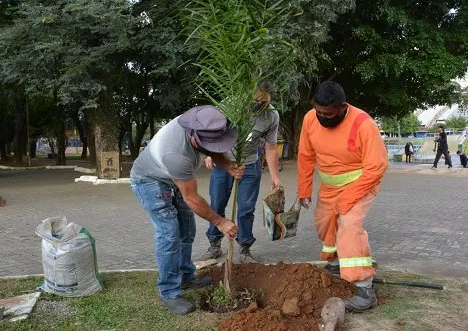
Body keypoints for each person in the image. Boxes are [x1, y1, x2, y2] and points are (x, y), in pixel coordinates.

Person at [130, 105, 244, 315]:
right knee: (169, 235)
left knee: (187, 230)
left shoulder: (203, 122)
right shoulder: (176, 154)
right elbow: (191, 198)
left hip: (171, 178)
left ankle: (185, 277)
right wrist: (220, 222)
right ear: (194, 136)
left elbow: (212, 148)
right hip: (149, 181)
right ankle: (169, 292)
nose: (213, 146)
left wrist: (227, 165)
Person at [297, 81, 388, 312]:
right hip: (329, 188)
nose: (322, 117)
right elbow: (305, 155)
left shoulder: (363, 124)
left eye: (327, 114)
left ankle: (364, 288)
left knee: (349, 224)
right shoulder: (310, 119)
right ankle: (338, 264)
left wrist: (349, 199)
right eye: (318, 112)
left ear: (343, 107)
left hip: (360, 184)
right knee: (324, 226)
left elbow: (377, 166)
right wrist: (304, 189)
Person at [201, 83, 281, 263]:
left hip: (250, 165)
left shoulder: (271, 116)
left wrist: (275, 177)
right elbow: (213, 131)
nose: (259, 104)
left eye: (264, 102)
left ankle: (244, 248)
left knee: (246, 208)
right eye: (257, 99)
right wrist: (210, 154)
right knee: (217, 205)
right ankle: (214, 246)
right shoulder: (231, 104)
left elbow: (271, 147)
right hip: (223, 162)